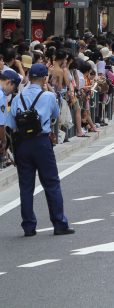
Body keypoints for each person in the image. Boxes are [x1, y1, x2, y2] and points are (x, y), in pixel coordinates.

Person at [7, 64, 74, 237]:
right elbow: (55, 115)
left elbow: (12, 123)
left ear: (29, 77)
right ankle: (59, 223)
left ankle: (28, 226)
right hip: (42, 142)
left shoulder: (18, 97)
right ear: (45, 78)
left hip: (22, 144)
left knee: (26, 186)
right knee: (51, 183)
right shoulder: (49, 96)